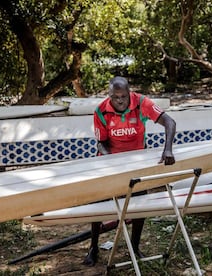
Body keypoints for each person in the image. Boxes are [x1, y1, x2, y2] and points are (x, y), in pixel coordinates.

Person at [83, 76, 176, 266]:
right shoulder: (101, 111)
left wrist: (167, 149)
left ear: (129, 93)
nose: (120, 100)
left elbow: (170, 122)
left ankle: (134, 247)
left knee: (140, 205)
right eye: (115, 97)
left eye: (123, 96)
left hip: (136, 163)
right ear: (109, 95)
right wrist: (114, 162)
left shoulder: (141, 103)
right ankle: (93, 247)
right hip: (110, 162)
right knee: (98, 206)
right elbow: (100, 143)